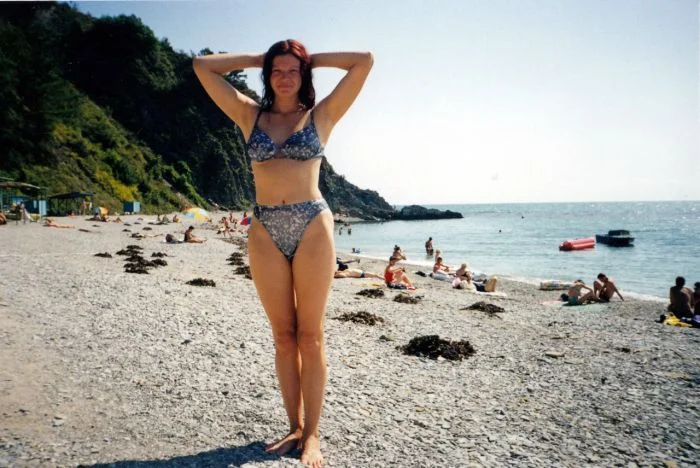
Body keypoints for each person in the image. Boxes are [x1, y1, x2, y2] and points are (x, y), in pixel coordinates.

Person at [194, 39, 372, 466]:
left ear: (303, 74)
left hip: (311, 224)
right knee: (283, 337)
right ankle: (293, 426)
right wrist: (260, 58)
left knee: (310, 336)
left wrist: (309, 59)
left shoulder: (321, 115)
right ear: (267, 75)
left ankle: (313, 436)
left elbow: (363, 62)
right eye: (277, 70)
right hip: (265, 228)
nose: (285, 77)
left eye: (294, 70)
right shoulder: (249, 115)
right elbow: (202, 66)